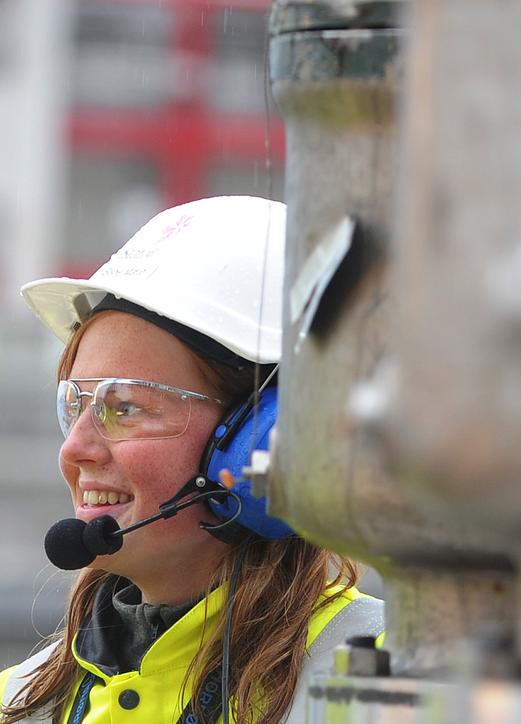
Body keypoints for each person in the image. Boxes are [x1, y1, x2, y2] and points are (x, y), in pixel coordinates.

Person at [0, 196, 383, 723]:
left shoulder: (398, 691)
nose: (75, 448)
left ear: (271, 436)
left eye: (126, 406)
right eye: (76, 404)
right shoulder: (20, 704)